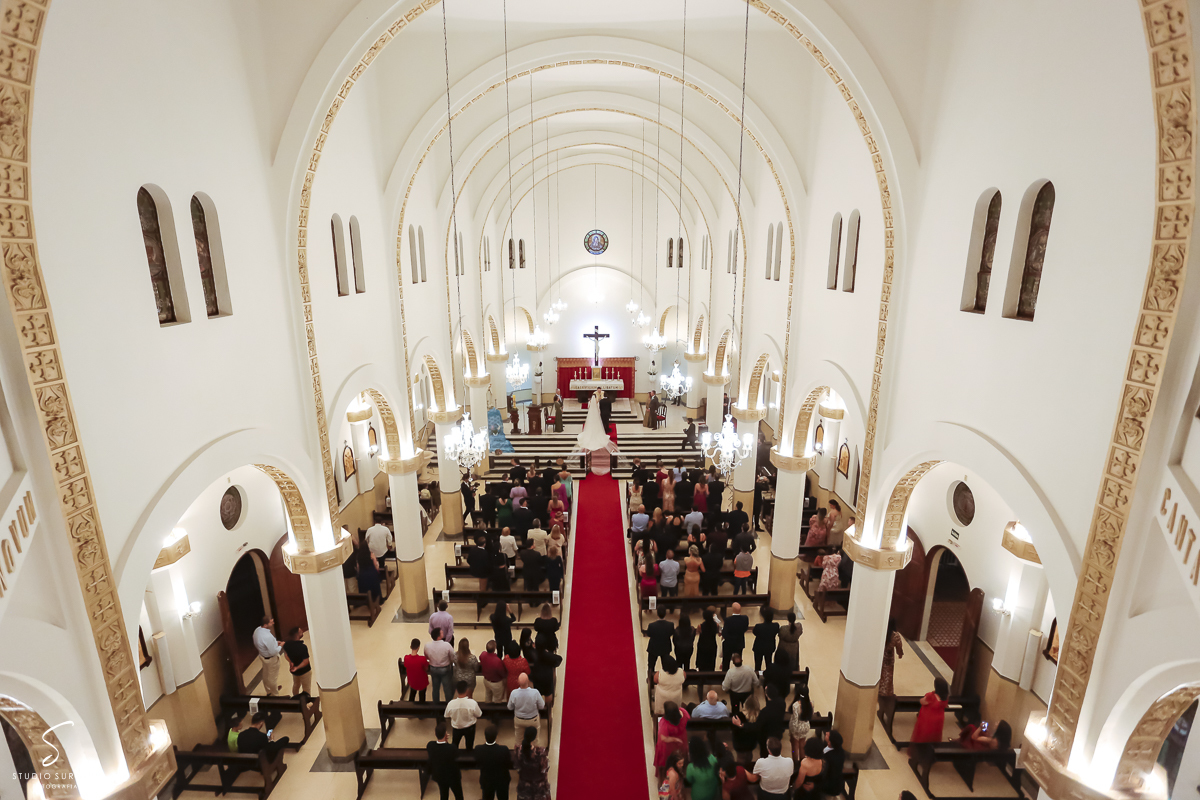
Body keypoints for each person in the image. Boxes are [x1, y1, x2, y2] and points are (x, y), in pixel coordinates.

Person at [907, 677, 949, 756]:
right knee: (933, 736)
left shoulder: (931, 696)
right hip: (939, 720)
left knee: (923, 735)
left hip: (928, 719)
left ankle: (919, 753)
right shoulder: (945, 697)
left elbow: (922, 701)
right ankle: (929, 754)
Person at [427, 722, 465, 800]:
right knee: (458, 795)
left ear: (435, 734)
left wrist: (444, 741)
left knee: (443, 795)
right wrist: (446, 742)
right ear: (445, 735)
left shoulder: (430, 745)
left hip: (439, 775)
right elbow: (457, 755)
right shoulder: (452, 748)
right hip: (453, 777)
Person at [474, 724, 512, 800]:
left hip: (487, 780)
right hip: (502, 780)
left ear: (485, 736)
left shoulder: (478, 749)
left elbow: (478, 763)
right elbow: (508, 763)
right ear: (496, 736)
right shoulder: (504, 750)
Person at [513, 725, 550, 800]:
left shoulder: (518, 751)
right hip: (539, 787)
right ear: (534, 737)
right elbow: (545, 769)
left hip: (524, 785)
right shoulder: (540, 752)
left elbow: (517, 767)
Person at [654, 700, 691, 774]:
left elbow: (663, 738)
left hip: (670, 746)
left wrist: (675, 739)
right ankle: (682, 769)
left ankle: (666, 772)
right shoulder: (684, 712)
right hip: (683, 740)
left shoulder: (665, 724)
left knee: (668, 759)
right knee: (682, 756)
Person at [445, 680, 483, 749]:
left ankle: (454, 757)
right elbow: (479, 714)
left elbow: (446, 715)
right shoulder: (472, 703)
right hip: (470, 727)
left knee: (454, 745)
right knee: (469, 745)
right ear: (467, 690)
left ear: (456, 690)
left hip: (456, 727)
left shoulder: (451, 703)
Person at [508, 673, 545, 744]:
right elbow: (542, 706)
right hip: (533, 719)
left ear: (518, 682)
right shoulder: (535, 692)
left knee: (519, 739)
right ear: (528, 681)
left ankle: (519, 752)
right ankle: (533, 752)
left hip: (519, 720)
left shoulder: (514, 693)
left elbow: (510, 707)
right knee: (535, 739)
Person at [253, 616, 285, 696]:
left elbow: (264, 644)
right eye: (271, 622)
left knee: (266, 675)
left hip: (263, 656)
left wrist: (275, 643)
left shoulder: (257, 630)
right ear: (265, 625)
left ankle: (269, 691)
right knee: (272, 678)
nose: (273, 622)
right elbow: (273, 652)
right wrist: (281, 645)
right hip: (271, 659)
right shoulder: (267, 637)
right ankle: (275, 694)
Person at [427, 627, 456, 704]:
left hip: (433, 668)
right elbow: (452, 656)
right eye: (442, 632)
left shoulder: (427, 645)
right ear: (439, 636)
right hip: (445, 669)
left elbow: (427, 656)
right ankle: (449, 706)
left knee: (435, 688)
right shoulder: (447, 645)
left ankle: (436, 707)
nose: (443, 633)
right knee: (447, 688)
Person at [281, 626, 312, 698]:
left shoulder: (287, 645)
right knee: (306, 688)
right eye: (300, 631)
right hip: (305, 671)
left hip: (294, 672)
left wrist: (291, 662)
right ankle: (307, 702)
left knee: (296, 685)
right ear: (297, 635)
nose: (302, 632)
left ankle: (295, 698)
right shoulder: (303, 647)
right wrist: (297, 667)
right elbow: (305, 661)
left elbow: (286, 655)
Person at [646, 607, 675, 672]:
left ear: (657, 613)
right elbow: (671, 633)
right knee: (666, 665)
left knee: (651, 665)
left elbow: (649, 634)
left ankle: (651, 679)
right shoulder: (670, 625)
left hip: (653, 647)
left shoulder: (652, 625)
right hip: (665, 647)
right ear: (665, 614)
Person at [721, 602, 749, 670]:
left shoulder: (728, 620)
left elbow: (724, 633)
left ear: (732, 609)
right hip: (739, 642)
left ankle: (725, 674)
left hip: (729, 644)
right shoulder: (745, 618)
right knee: (738, 660)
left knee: (726, 661)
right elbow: (745, 628)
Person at [404, 638, 431, 702]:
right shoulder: (422, 659)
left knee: (412, 694)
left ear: (410, 647)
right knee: (422, 695)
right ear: (418, 647)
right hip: (422, 682)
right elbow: (426, 668)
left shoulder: (406, 658)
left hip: (412, 681)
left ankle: (411, 705)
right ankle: (421, 706)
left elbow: (406, 666)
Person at [790, 692, 814, 761]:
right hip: (805, 726)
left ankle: (795, 761)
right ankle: (802, 760)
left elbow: (795, 720)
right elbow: (810, 715)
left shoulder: (796, 705)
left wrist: (792, 731)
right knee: (802, 745)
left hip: (797, 727)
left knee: (795, 746)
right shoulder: (810, 703)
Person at [821, 730, 847, 797]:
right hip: (833, 781)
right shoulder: (839, 749)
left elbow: (824, 772)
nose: (826, 733)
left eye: (828, 735)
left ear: (830, 742)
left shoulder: (829, 757)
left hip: (830, 786)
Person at [697, 607, 721, 671]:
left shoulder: (700, 626)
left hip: (703, 645)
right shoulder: (716, 625)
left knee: (702, 663)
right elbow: (719, 632)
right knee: (711, 662)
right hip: (712, 645)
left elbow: (698, 632)